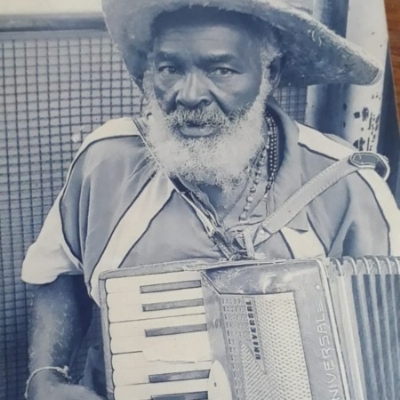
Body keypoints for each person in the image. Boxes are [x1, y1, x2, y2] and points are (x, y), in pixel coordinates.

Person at [21, 0, 400, 399]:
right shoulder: (107, 162)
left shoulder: (346, 185)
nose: (189, 95)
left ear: (269, 73)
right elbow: (61, 268)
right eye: (170, 69)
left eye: (220, 70)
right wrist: (45, 377)